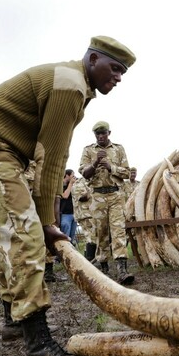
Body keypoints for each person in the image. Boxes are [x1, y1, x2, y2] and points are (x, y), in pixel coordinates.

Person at [0, 35, 136, 356]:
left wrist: (43, 218)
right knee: (26, 238)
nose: (119, 77)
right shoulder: (71, 86)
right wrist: (48, 221)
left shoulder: (74, 83)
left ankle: (13, 321)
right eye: (114, 68)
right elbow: (51, 159)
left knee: (11, 236)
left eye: (123, 72)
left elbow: (47, 157)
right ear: (93, 60)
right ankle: (39, 347)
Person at [79, 121, 135, 285]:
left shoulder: (118, 149)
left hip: (115, 195)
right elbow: (84, 173)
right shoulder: (88, 150)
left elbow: (126, 172)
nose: (100, 136)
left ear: (109, 133)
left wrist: (111, 167)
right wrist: (95, 163)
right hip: (97, 197)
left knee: (118, 230)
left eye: (103, 133)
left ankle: (122, 270)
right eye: (97, 134)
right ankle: (103, 267)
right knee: (101, 232)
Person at [71, 176, 96, 262]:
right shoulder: (79, 183)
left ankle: (89, 260)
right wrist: (93, 191)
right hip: (85, 215)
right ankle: (90, 259)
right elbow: (82, 198)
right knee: (91, 237)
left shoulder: (91, 180)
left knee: (90, 237)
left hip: (91, 214)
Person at [60, 169, 78, 245]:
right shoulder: (60, 185)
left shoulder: (71, 185)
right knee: (65, 236)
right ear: (67, 175)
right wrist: (70, 184)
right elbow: (65, 196)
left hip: (74, 214)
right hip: (65, 214)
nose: (74, 177)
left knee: (72, 236)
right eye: (72, 175)